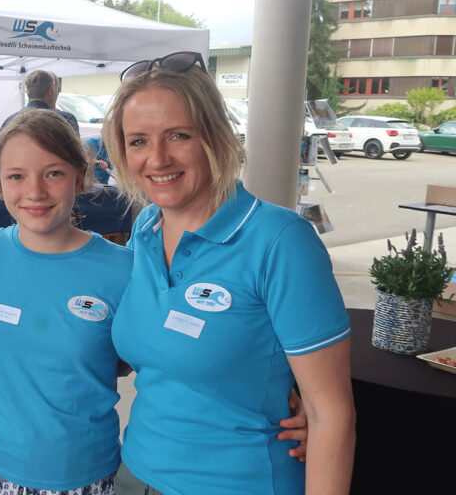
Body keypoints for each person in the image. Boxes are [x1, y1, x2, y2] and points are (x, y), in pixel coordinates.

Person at [102, 51, 355, 494]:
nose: (156, 158)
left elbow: (332, 414)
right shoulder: (145, 228)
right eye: (138, 140)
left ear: (215, 136)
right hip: (136, 472)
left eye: (178, 135)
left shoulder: (280, 241)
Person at [0, 109, 132, 494]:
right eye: (16, 176)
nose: (35, 191)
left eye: (53, 173)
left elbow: (144, 359)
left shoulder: (124, 270)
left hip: (81, 474)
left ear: (80, 177)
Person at [0, 69, 80, 136]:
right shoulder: (66, 120)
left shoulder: (9, 121)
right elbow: (76, 153)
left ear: (28, 92)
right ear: (50, 91)